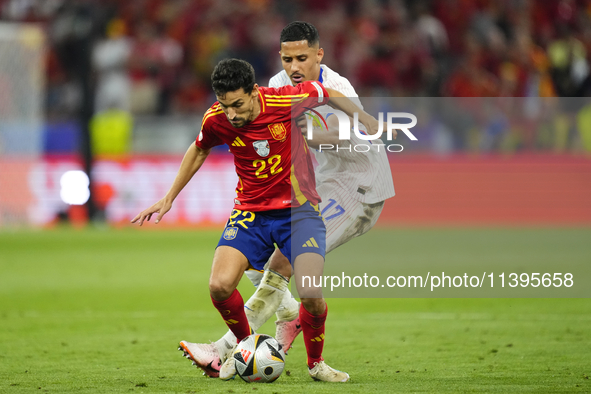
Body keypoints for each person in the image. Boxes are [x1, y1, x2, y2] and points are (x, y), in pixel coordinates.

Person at [132, 58, 381, 382]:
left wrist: (361, 116)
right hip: (250, 213)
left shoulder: (284, 100)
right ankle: (245, 345)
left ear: (253, 92)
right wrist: (169, 197)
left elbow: (327, 91)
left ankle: (316, 364)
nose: (231, 114)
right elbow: (199, 149)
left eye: (237, 104)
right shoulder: (216, 118)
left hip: (299, 212)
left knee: (311, 297)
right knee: (220, 286)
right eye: (225, 105)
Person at [181, 21, 395, 379]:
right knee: (256, 264)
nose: (293, 67)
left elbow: (348, 135)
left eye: (302, 58)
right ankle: (289, 318)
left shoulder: (336, 86)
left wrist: (296, 129)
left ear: (318, 55)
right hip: (321, 186)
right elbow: (260, 113)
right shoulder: (278, 87)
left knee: (281, 263)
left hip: (359, 188)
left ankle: (223, 349)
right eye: (286, 59)